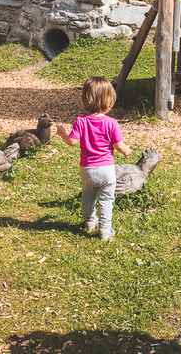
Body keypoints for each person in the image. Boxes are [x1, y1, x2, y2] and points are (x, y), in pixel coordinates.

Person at [56, 76, 132, 242]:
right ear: (108, 101)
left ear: (85, 99)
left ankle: (90, 222)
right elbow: (119, 145)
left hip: (88, 169)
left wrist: (62, 133)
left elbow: (72, 142)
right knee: (106, 199)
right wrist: (126, 150)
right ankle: (105, 229)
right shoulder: (112, 123)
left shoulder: (80, 121)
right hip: (106, 169)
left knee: (88, 196)